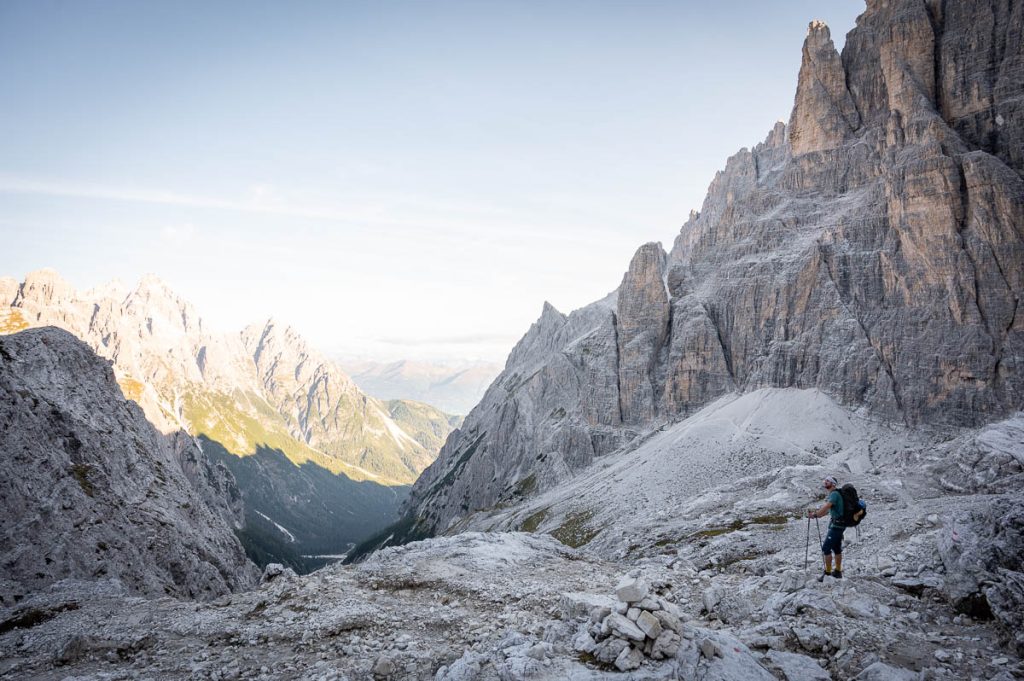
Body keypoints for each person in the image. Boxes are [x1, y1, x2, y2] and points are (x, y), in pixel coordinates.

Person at [807, 476, 845, 580]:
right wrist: (817, 515)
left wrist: (815, 514)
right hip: (840, 524)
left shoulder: (834, 494)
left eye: (828, 481)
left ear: (833, 484)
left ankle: (827, 573)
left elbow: (827, 507)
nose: (825, 482)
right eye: (825, 480)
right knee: (836, 548)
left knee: (826, 548)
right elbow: (828, 511)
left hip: (836, 526)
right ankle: (838, 572)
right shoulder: (836, 494)